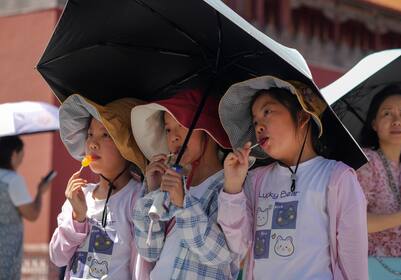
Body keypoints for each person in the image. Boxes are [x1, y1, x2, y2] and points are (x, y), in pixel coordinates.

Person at [217, 76, 368, 279]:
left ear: (303, 117)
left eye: (267, 112)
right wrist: (233, 188)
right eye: (255, 121)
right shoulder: (255, 180)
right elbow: (239, 246)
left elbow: (353, 256)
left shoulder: (337, 178)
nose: (259, 126)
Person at [131, 89, 239, 279]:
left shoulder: (229, 186)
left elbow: (220, 255)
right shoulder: (173, 181)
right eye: (168, 129)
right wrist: (153, 190)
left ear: (209, 130)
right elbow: (149, 251)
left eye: (181, 124)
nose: (173, 137)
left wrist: (183, 205)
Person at [49, 94, 149, 279]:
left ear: (127, 146)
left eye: (106, 135)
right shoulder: (80, 196)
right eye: (90, 134)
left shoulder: (138, 197)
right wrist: (78, 218)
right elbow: (58, 257)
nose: (93, 144)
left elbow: (143, 264)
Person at [356, 85, 401, 258]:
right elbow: (354, 221)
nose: (397, 120)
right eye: (387, 113)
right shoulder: (367, 162)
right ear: (374, 124)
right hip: (373, 268)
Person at [0, 135, 51, 280]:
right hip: (6, 250)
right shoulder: (13, 180)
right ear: (14, 153)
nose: (23, 159)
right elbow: (32, 214)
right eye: (22, 153)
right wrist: (40, 192)